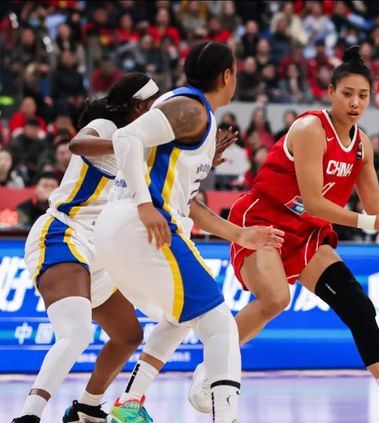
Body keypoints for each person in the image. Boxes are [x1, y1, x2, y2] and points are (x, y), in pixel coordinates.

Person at [187, 45, 379, 422]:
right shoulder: (311, 129)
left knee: (359, 308)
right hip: (264, 221)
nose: (355, 102)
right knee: (276, 299)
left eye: (363, 95)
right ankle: (211, 366)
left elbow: (376, 204)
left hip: (307, 232)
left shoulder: (362, 145)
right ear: (331, 92)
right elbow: (314, 202)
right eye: (347, 93)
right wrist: (371, 224)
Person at [92, 42, 284, 423]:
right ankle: (224, 416)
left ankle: (129, 404)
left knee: (181, 316)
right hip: (140, 223)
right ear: (227, 76)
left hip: (121, 228)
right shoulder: (191, 108)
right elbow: (125, 139)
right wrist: (144, 205)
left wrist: (239, 234)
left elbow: (188, 203)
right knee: (221, 325)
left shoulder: (193, 116)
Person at [12, 73, 160, 423]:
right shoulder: (107, 128)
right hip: (64, 233)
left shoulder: (147, 149)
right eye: (153, 105)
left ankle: (87, 408)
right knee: (76, 333)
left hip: (102, 250)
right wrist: (123, 145)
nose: (158, 112)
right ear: (139, 107)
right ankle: (29, 415)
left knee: (128, 335)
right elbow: (77, 144)